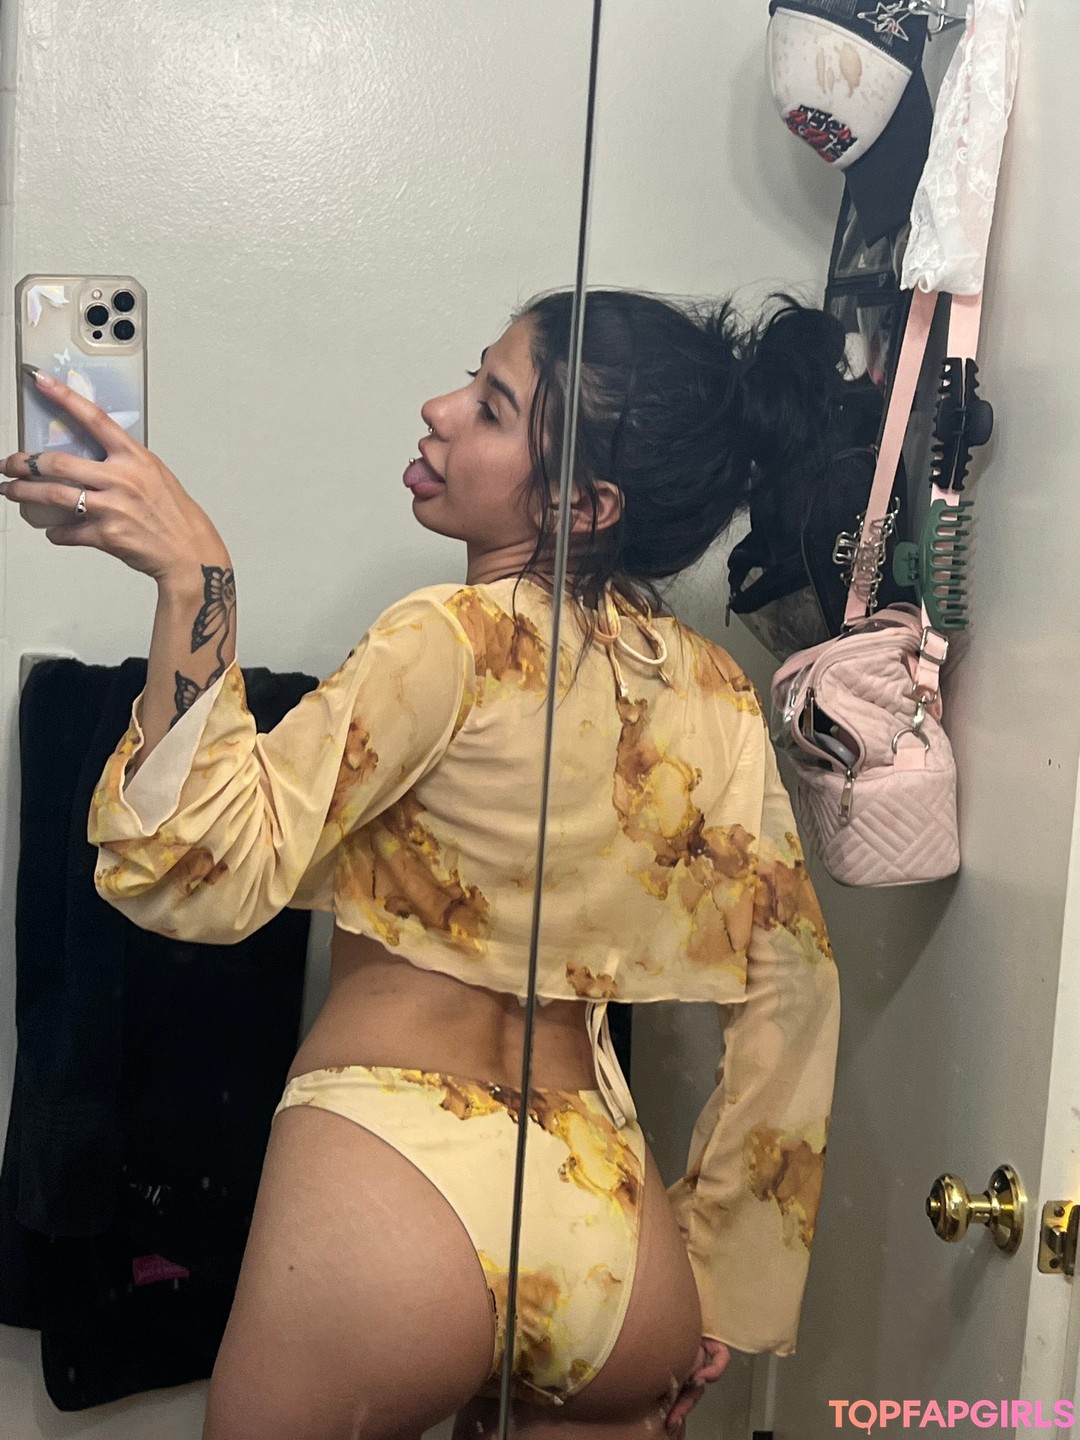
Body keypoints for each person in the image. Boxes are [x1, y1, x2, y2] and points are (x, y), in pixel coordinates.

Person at [0, 287, 842, 1440]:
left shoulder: (449, 635)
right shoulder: (713, 692)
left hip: (395, 1177)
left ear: (584, 504)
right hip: (612, 1233)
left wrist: (196, 581)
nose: (439, 410)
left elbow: (197, 865)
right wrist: (721, 1281)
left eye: (490, 406)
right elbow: (794, 988)